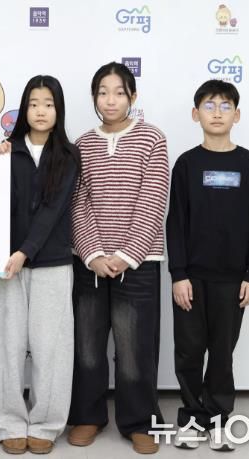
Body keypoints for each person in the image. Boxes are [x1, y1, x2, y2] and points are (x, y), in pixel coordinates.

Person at [67, 62, 168, 454]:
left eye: (119, 92)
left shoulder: (152, 138)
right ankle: (87, 417)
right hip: (89, 264)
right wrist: (93, 253)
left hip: (138, 264)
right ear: (94, 97)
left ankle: (139, 421)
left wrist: (126, 255)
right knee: (87, 346)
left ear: (132, 97)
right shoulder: (82, 143)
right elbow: (78, 203)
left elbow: (153, 199)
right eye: (103, 92)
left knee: (135, 349)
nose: (110, 100)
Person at [166, 80, 249, 452]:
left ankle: (219, 418)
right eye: (209, 106)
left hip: (232, 280)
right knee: (189, 352)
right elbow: (175, 224)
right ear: (196, 114)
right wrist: (179, 274)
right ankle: (193, 419)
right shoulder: (186, 164)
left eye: (225, 106)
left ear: (236, 115)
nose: (217, 113)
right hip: (192, 278)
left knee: (222, 354)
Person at [0, 75, 79, 455]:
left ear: (59, 110)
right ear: (24, 109)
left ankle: (46, 423)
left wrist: (24, 251)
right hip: (4, 264)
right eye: (34, 103)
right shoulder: (6, 152)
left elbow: (53, 211)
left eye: (49, 104)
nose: (41, 111)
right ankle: (8, 422)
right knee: (4, 347)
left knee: (52, 349)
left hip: (52, 263)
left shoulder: (69, 155)